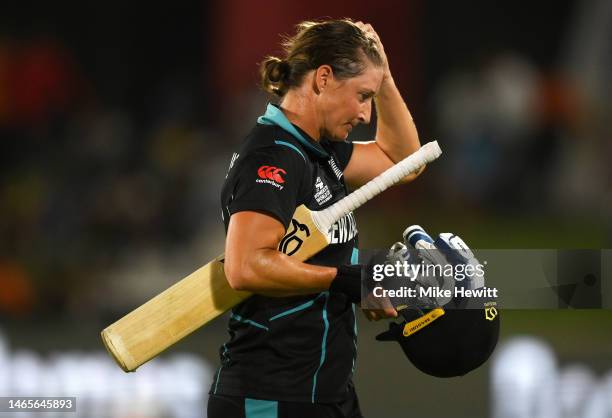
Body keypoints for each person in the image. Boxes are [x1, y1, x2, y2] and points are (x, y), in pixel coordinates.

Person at [208, 19, 425, 418]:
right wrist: (347, 280)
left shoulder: (319, 153)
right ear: (323, 78)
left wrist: (385, 78)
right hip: (271, 396)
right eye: (362, 96)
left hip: (324, 393)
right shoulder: (275, 156)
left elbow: (404, 163)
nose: (365, 114)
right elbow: (244, 267)